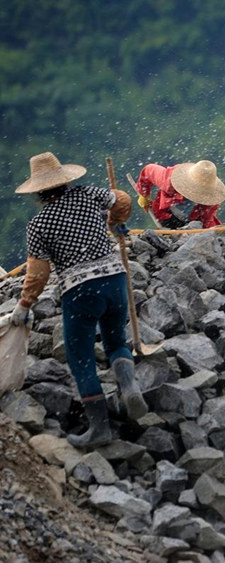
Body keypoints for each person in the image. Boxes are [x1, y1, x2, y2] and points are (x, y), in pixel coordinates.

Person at [11, 152, 148, 448]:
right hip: (114, 279)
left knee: (81, 357)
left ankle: (99, 428)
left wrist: (24, 305)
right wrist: (115, 221)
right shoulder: (90, 195)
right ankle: (129, 385)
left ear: (38, 190)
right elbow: (122, 199)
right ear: (65, 179)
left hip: (80, 291)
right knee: (116, 342)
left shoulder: (39, 224)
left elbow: (38, 274)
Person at [132, 160, 225, 229]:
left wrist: (209, 233)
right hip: (166, 214)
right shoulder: (169, 179)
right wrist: (144, 194)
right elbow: (148, 171)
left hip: (192, 222)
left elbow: (207, 219)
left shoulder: (211, 199)